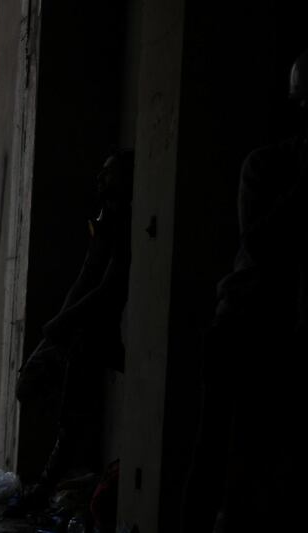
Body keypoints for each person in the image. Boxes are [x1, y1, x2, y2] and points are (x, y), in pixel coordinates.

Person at [181, 51, 308, 533]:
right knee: (222, 458)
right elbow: (260, 240)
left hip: (265, 329)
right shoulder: (269, 166)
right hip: (249, 328)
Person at [13, 150, 133, 519]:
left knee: (70, 418)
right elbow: (88, 276)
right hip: (75, 327)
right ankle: (52, 482)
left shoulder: (122, 223)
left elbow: (109, 283)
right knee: (60, 409)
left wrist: (65, 321)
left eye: (108, 174)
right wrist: (62, 320)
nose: (100, 179)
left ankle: (47, 487)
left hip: (87, 330)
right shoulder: (107, 220)